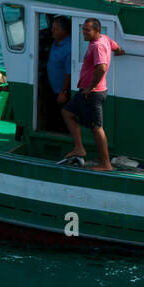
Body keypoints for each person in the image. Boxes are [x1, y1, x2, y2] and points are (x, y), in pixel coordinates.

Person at [60, 18, 124, 171]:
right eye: (83, 29)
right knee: (67, 112)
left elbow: (102, 68)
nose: (84, 32)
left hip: (93, 94)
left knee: (96, 128)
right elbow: (116, 47)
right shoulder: (105, 39)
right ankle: (79, 148)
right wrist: (121, 51)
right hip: (86, 92)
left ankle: (106, 164)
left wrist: (90, 87)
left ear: (97, 31)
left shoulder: (98, 46)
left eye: (87, 30)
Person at [44, 16, 72, 129]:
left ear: (64, 31)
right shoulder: (57, 41)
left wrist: (63, 92)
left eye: (55, 29)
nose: (52, 31)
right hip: (53, 88)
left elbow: (69, 73)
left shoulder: (68, 48)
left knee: (60, 118)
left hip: (61, 92)